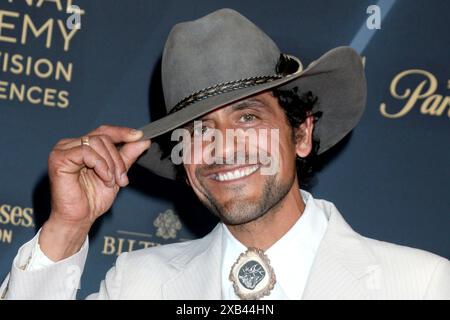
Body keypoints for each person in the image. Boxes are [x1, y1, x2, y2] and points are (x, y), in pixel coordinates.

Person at [1, 8, 448, 300]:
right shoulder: (137, 284)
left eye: (248, 118)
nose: (223, 147)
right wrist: (68, 228)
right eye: (198, 129)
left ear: (302, 134)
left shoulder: (420, 285)